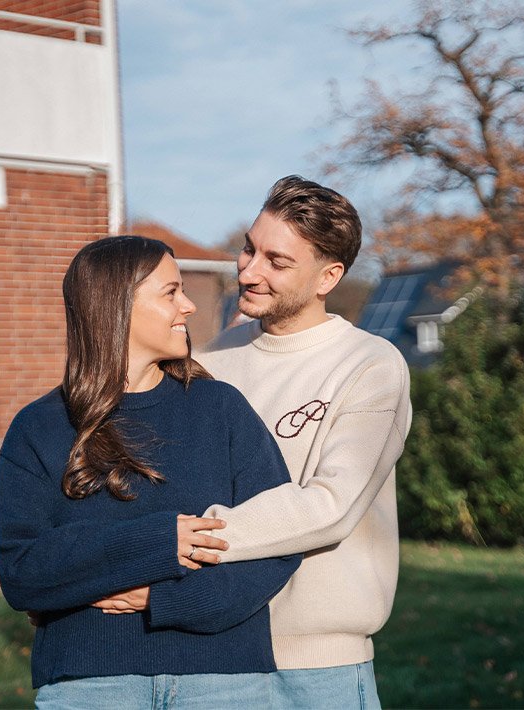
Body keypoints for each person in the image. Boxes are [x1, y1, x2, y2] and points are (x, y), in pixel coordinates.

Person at [97, 176, 412, 709]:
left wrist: (184, 538)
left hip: (320, 669)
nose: (248, 271)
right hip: (212, 654)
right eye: (249, 249)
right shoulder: (211, 360)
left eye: (276, 262)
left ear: (328, 276)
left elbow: (331, 506)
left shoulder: (370, 365)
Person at [0, 236, 301, 709]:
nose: (188, 306)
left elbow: (279, 540)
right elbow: (22, 571)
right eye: (171, 292)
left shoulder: (221, 409)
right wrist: (157, 542)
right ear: (115, 305)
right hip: (90, 685)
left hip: (224, 682)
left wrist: (164, 599)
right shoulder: (40, 426)